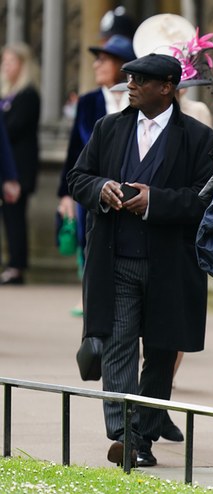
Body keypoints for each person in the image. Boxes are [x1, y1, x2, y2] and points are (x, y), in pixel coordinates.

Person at [67, 54, 213, 468]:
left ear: (168, 86)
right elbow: (78, 177)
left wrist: (155, 201)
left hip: (171, 266)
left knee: (161, 352)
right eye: (129, 78)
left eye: (140, 80)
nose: (130, 85)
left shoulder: (201, 139)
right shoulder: (109, 127)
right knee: (117, 345)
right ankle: (123, 434)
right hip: (115, 260)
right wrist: (100, 189)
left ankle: (143, 435)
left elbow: (204, 199)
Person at [57, 35, 136, 310]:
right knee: (86, 238)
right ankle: (90, 294)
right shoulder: (89, 101)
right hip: (93, 184)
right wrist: (64, 194)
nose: (96, 65)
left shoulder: (137, 99)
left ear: (121, 65)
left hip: (131, 184)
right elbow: (74, 149)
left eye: (103, 60)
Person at [0, 43, 40, 285]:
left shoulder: (28, 95)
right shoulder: (7, 95)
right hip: (7, 167)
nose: (5, 66)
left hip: (18, 168)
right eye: (3, 61)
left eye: (10, 61)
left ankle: (16, 265)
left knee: (15, 217)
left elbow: (13, 129)